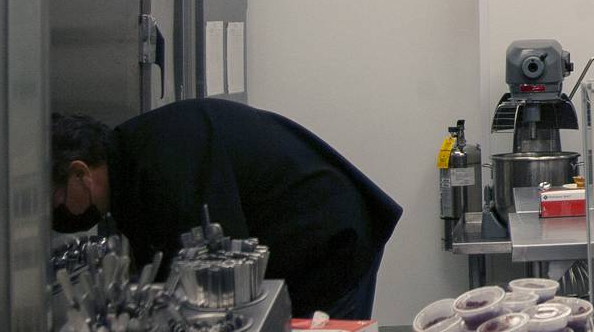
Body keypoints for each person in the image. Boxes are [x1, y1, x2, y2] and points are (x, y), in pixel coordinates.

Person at [51, 98, 402, 319]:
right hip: (303, 242)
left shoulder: (162, 164)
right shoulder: (133, 158)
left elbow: (217, 280)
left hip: (330, 242)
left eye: (56, 199)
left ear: (81, 173)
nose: (58, 213)